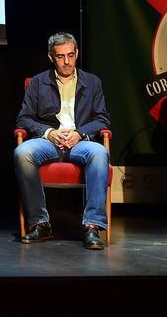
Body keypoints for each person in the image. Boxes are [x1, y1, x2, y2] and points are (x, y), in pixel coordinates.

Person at [14, 32, 110, 249]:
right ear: (51, 57)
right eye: (60, 56)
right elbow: (24, 118)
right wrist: (49, 132)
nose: (66, 62)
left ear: (77, 54)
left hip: (80, 142)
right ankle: (40, 223)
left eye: (70, 55)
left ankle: (92, 226)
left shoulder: (92, 82)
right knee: (22, 153)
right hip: (48, 142)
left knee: (99, 152)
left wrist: (80, 134)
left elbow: (102, 119)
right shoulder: (38, 83)